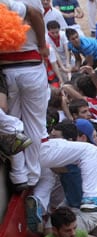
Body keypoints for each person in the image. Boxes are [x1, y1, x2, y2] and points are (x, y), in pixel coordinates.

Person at [1, 0, 50, 192]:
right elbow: (36, 14)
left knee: (12, 122)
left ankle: (19, 175)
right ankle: (31, 176)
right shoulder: (14, 3)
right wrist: (42, 44)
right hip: (31, 68)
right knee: (34, 125)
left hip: (6, 72)